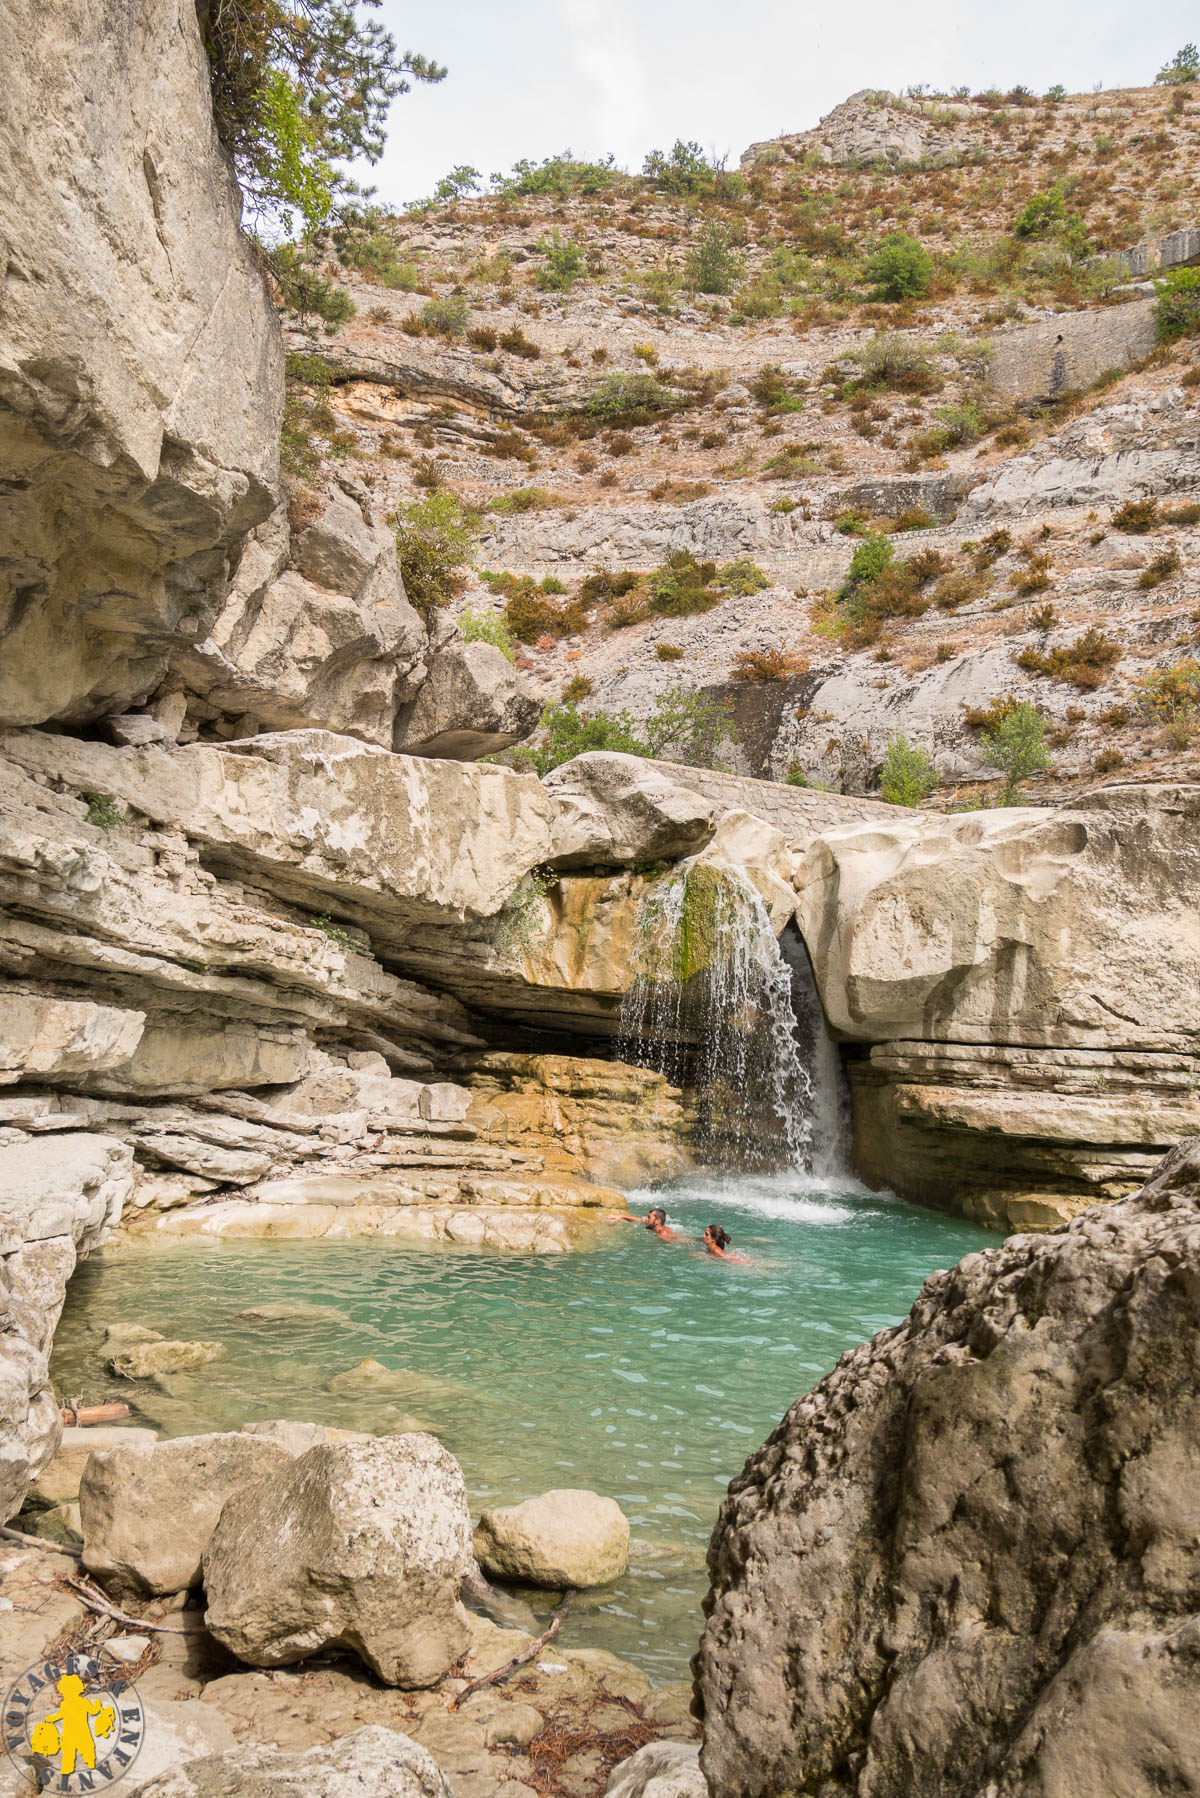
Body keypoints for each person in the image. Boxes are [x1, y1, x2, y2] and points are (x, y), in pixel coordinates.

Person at [606, 1204, 678, 1241]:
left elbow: (677, 1244)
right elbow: (639, 1219)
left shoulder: (663, 1235)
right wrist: (622, 1216)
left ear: (657, 1221)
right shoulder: (656, 1225)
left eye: (649, 1217)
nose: (646, 1219)